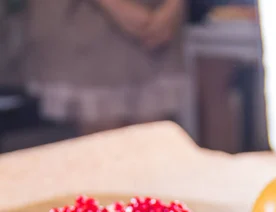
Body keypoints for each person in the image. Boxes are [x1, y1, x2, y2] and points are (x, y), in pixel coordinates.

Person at [22, 0, 186, 133]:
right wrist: (116, 5)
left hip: (157, 27)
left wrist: (173, 7)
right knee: (105, 143)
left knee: (153, 142)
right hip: (88, 26)